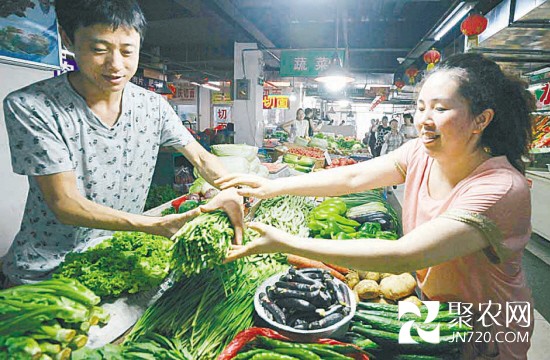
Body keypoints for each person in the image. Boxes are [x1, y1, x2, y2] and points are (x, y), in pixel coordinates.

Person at [218, 53, 535, 359]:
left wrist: (284, 242)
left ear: (481, 119)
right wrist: (272, 186)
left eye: (439, 109)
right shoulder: (420, 154)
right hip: (436, 314)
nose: (423, 120)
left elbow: (403, 256)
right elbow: (354, 177)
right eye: (420, 107)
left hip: (486, 330)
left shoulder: (500, 189)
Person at [2, 0, 243, 285]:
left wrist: (237, 190)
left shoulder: (153, 106)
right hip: (46, 271)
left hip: (119, 257)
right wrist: (156, 225)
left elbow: (202, 159)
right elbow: (64, 204)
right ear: (68, 39)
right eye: (99, 50)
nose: (115, 65)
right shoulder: (32, 106)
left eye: (128, 51)